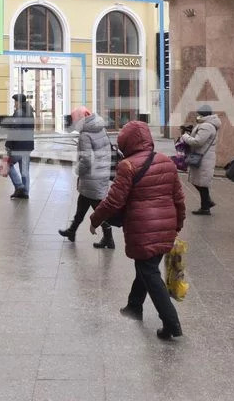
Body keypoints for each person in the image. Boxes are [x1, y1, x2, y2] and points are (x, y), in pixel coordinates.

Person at [89, 121, 186, 341]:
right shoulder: (166, 162)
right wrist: (177, 226)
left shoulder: (127, 166)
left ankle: (171, 322)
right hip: (166, 226)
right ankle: (134, 307)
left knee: (149, 271)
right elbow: (179, 199)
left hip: (142, 228)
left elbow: (114, 201)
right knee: (146, 266)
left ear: (127, 143)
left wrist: (95, 219)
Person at [58, 106, 112, 247]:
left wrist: (77, 171)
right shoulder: (100, 127)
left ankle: (108, 237)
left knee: (98, 209)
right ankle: (72, 230)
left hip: (91, 178)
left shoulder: (85, 135)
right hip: (101, 173)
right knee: (82, 205)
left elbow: (86, 160)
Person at [181, 104, 220, 215]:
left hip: (203, 158)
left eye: (198, 114)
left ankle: (206, 205)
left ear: (202, 114)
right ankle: (206, 204)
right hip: (203, 157)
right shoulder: (206, 124)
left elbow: (198, 142)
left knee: (201, 183)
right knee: (199, 182)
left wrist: (185, 136)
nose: (197, 116)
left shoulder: (207, 126)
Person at [4, 93, 35, 199]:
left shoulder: (19, 113)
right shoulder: (30, 111)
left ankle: (19, 186)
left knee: (7, 165)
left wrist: (8, 145)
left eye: (15, 102)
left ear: (19, 102)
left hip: (18, 146)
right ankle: (25, 192)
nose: (14, 104)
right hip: (28, 145)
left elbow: (15, 130)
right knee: (25, 170)